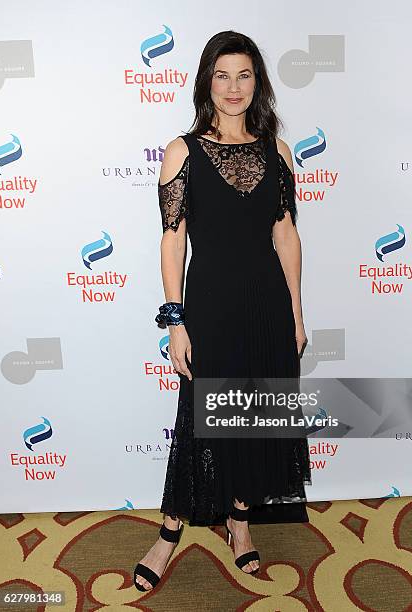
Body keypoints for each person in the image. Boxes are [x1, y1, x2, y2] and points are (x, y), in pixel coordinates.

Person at [133, 30, 312, 592]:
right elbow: (172, 241)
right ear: (206, 81)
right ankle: (168, 534)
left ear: (257, 83)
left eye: (244, 75)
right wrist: (175, 319)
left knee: (254, 415)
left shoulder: (277, 151)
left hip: (267, 303)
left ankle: (240, 523)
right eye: (222, 75)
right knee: (200, 420)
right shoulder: (182, 152)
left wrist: (298, 315)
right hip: (208, 303)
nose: (233, 87)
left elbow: (286, 236)